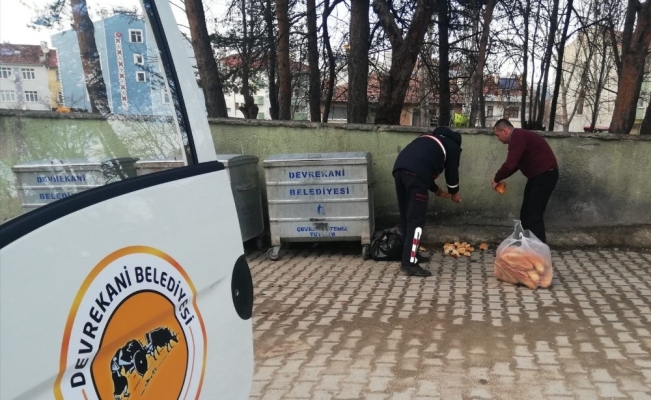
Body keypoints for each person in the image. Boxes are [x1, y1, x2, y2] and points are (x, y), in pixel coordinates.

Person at [393, 126, 462, 277]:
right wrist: (454, 193)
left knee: (406, 217)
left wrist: (435, 189)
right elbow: (452, 172)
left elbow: (421, 165)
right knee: (416, 221)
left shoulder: (427, 139)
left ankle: (410, 255)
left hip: (400, 170)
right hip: (416, 176)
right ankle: (409, 263)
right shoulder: (452, 146)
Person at [491, 119, 559, 243]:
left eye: (497, 135)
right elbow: (515, 165)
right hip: (538, 177)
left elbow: (510, 165)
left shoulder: (517, 137)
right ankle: (527, 245)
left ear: (504, 131)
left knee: (533, 214)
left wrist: (496, 178)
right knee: (526, 213)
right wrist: (500, 177)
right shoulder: (520, 137)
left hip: (544, 176)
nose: (498, 139)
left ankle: (539, 249)